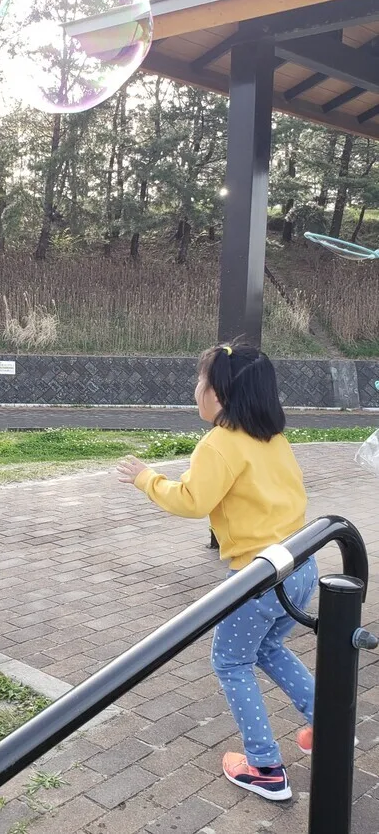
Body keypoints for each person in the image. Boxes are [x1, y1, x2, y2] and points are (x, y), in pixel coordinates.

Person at [117, 342, 317, 802]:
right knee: (268, 647)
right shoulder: (274, 438)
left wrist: (147, 478)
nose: (195, 390)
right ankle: (327, 720)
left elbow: (192, 501)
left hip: (258, 577)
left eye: (200, 382)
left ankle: (265, 767)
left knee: (230, 661)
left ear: (221, 396)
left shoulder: (220, 443)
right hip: (300, 564)